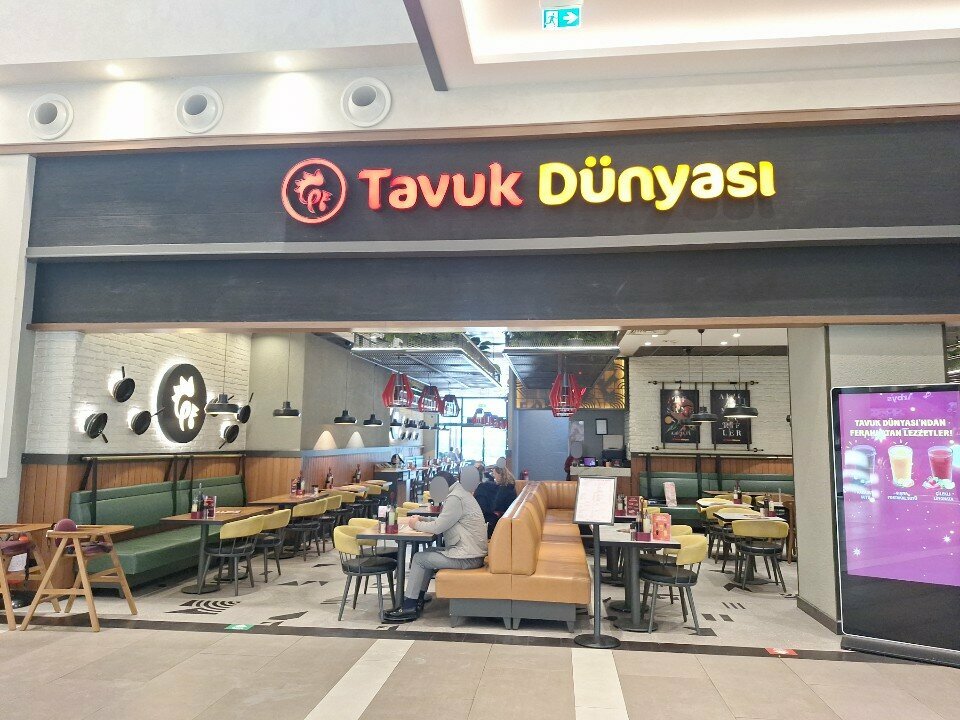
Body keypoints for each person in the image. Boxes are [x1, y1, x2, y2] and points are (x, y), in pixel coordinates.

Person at [382, 469, 488, 623]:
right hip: (471, 553)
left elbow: (438, 528)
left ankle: (409, 607)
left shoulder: (455, 498)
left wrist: (415, 524)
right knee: (428, 552)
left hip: (468, 557)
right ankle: (418, 598)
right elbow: (445, 521)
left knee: (419, 559)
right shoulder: (460, 493)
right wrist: (423, 520)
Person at [489, 464, 518, 533]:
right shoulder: (509, 485)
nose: (494, 477)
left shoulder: (503, 489)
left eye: (494, 474)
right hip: (507, 513)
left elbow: (496, 506)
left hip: (501, 516)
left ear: (500, 474)